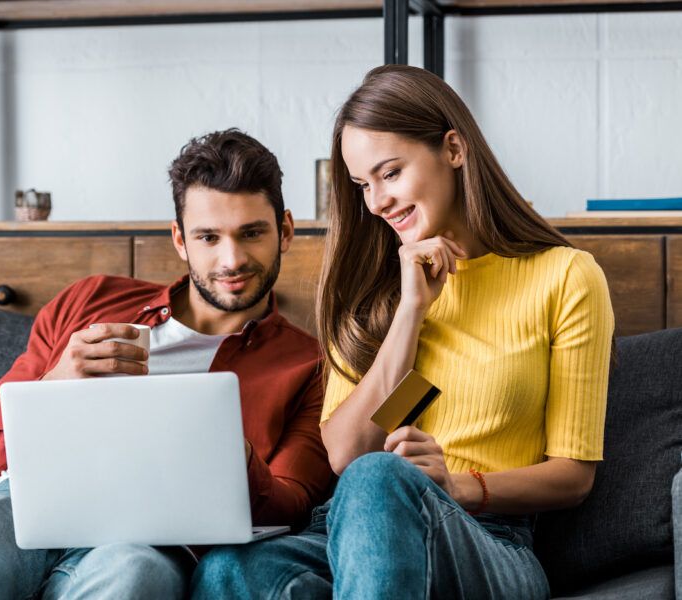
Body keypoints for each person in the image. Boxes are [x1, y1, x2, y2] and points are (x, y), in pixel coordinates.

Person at [191, 65, 614, 599]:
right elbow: (346, 453)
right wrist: (411, 310)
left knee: (380, 478)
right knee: (228, 569)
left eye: (390, 174)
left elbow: (572, 477)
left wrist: (453, 485)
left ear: (454, 149)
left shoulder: (565, 277)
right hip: (349, 529)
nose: (376, 202)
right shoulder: (373, 286)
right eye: (362, 185)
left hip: (488, 538)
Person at [0, 129, 332, 599]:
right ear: (180, 240)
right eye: (209, 237)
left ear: (284, 231)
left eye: (252, 233)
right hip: (14, 504)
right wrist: (56, 383)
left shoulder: (309, 367)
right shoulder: (91, 299)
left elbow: (291, 506)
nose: (232, 259)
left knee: (132, 580)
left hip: (146, 538)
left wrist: (228, 452)